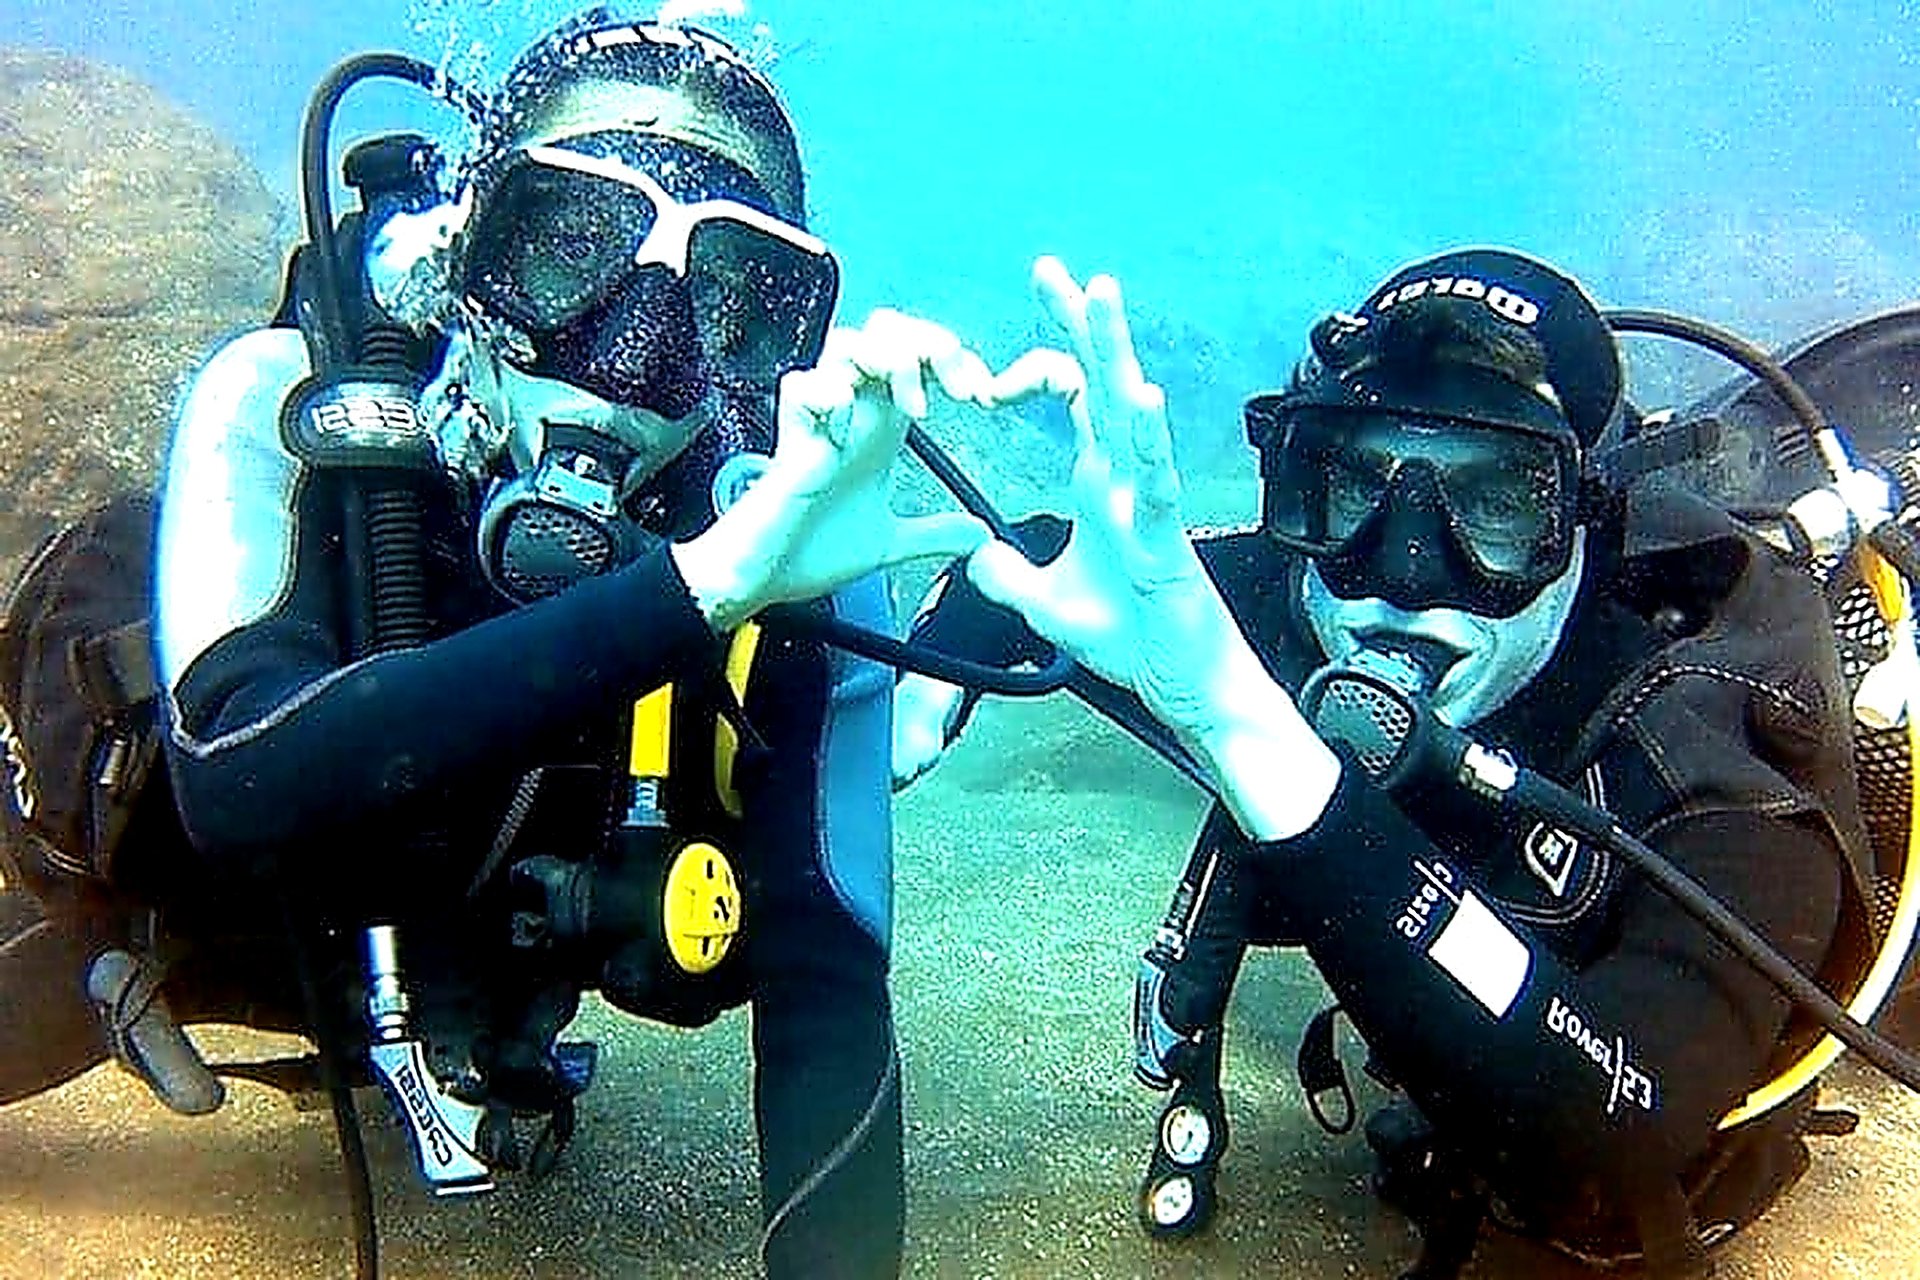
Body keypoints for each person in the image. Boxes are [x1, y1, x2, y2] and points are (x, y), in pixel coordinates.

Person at [0, 10, 996, 1277]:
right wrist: (693, 589)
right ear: (472, 245)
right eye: (569, 244)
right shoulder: (284, 398)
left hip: (481, 959)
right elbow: (237, 777)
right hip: (206, 907)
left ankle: (464, 1036)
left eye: (721, 299)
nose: (631, 358)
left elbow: (828, 974)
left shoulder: (785, 540)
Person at [899, 248, 1875, 1277]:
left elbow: (1618, 1134)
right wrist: (916, 665)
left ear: (1586, 517)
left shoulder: (1717, 729)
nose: (1403, 574)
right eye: (1356, 481)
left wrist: (1250, 736)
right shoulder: (1319, 580)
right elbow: (1051, 563)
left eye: (1495, 503)